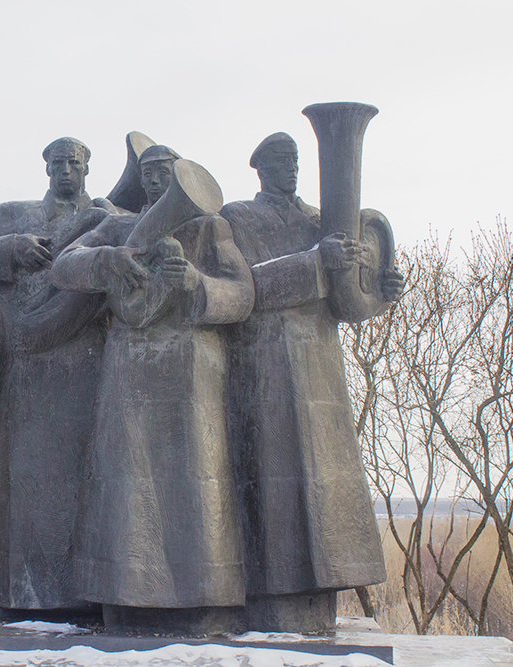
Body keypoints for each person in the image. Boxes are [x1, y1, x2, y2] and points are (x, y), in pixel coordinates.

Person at [51, 145, 255, 633]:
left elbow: (242, 295)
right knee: (126, 479)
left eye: (166, 173)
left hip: (192, 371)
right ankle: (124, 598)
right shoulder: (121, 226)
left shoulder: (211, 228)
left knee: (197, 481)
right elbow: (64, 265)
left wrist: (195, 282)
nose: (157, 181)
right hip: (130, 370)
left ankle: (203, 600)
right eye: (149, 174)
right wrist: (107, 259)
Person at [220, 133, 403, 632]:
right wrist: (313, 262)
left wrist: (379, 292)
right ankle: (270, 600)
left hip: (319, 363)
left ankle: (319, 598)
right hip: (263, 360)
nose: (292, 169)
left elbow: (346, 305)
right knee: (271, 479)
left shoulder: (320, 220)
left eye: (296, 160)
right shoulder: (239, 217)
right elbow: (246, 287)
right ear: (260, 168)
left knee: (321, 483)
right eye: (282, 161)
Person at [0, 138, 115, 621]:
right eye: (57, 163)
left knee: (91, 476)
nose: (65, 170)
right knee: (25, 482)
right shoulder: (14, 213)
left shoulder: (110, 213)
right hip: (24, 366)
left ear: (88, 168)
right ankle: (23, 595)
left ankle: (89, 593)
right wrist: (8, 249)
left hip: (90, 359)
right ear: (45, 168)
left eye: (74, 163)